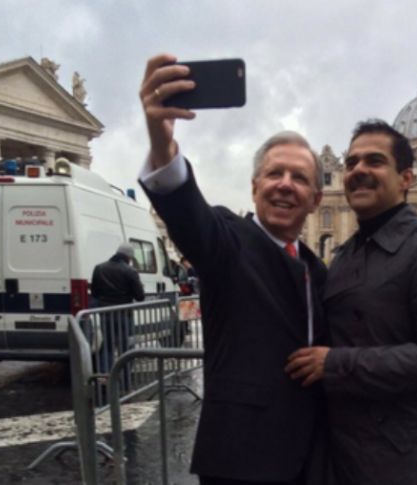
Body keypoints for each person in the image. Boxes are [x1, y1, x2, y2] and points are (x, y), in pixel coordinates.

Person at [137, 54, 329, 485]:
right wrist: (161, 141)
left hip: (309, 456)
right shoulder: (228, 241)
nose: (285, 184)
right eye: (274, 173)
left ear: (316, 199)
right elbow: (188, 214)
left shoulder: (317, 269)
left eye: (299, 178)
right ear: (255, 186)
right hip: (241, 459)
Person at [285, 119, 417, 485]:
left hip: (397, 463)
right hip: (339, 456)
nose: (359, 170)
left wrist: (335, 364)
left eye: (374, 161)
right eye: (351, 162)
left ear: (406, 178)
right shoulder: (345, 255)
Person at [90, 242, 145, 389]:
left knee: (106, 347)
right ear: (129, 257)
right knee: (126, 348)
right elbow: (140, 296)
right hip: (124, 314)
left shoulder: (99, 268)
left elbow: (94, 292)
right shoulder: (130, 271)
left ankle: (105, 380)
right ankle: (125, 382)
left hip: (105, 313)